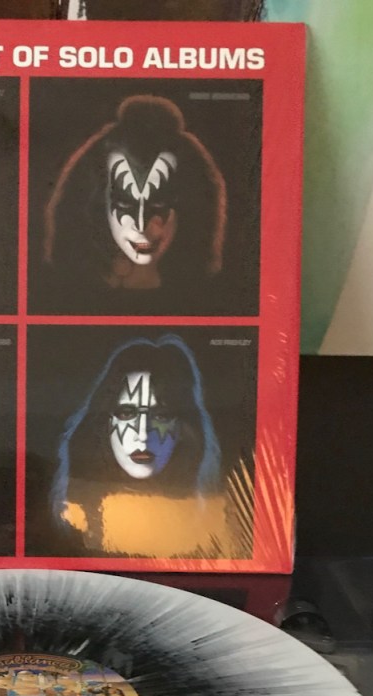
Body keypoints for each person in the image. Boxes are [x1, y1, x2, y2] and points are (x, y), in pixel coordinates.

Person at [48, 335, 246, 559]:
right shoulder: (73, 519)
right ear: (104, 424)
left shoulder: (214, 529)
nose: (142, 433)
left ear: (185, 429)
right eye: (126, 413)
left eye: (161, 415)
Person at [43, 96, 226, 311]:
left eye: (158, 205)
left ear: (190, 208)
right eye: (124, 205)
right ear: (96, 207)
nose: (140, 224)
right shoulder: (67, 301)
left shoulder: (204, 305)